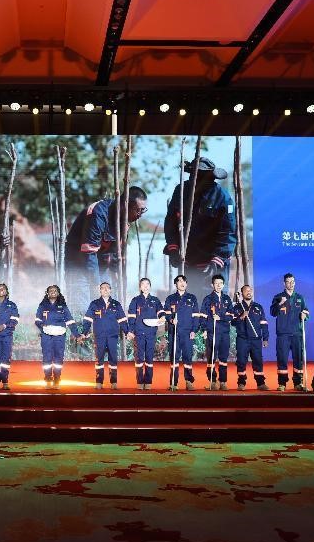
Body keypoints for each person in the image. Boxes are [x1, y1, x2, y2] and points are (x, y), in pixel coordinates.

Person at [163, 157, 236, 296]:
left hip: (213, 265)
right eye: (195, 176)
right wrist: (173, 249)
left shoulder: (223, 197)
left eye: (203, 176)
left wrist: (216, 260)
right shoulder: (181, 191)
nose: (197, 180)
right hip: (188, 263)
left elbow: (229, 233)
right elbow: (171, 223)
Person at [66, 186, 148, 308]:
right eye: (138, 210)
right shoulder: (98, 214)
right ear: (125, 205)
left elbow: (114, 253)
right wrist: (96, 284)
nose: (140, 215)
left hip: (100, 263)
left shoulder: (124, 222)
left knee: (108, 304)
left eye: (143, 210)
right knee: (82, 307)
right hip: (79, 261)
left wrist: (116, 277)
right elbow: (89, 253)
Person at [78, 282, 129, 390]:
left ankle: (113, 382)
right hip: (99, 336)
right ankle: (99, 382)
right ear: (100, 290)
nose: (105, 289)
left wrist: (127, 332)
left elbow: (123, 320)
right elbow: (88, 320)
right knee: (99, 359)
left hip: (112, 336)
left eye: (107, 288)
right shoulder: (94, 304)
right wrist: (84, 332)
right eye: (103, 288)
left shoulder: (116, 304)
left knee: (113, 359)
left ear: (110, 290)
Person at [270, 273, 310, 391]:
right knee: (282, 358)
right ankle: (282, 383)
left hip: (297, 333)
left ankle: (298, 383)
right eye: (288, 282)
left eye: (293, 281)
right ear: (284, 283)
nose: (291, 284)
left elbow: (306, 311)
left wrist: (304, 315)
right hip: (283, 334)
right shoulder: (278, 297)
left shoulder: (300, 297)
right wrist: (280, 303)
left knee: (298, 358)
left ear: (295, 283)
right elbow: (272, 312)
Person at [34, 285, 78, 389]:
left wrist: (77, 334)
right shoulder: (42, 306)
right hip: (46, 336)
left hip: (60, 336)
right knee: (47, 358)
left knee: (58, 358)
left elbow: (70, 321)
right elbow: (37, 320)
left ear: (58, 293)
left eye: (55, 290)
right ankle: (48, 379)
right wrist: (42, 327)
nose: (53, 292)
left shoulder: (63, 306)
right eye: (50, 290)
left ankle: (57, 379)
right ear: (47, 293)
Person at [163, 274, 201, 391]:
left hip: (187, 333)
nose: (182, 283)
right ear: (176, 284)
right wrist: (171, 320)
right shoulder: (170, 298)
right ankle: (173, 383)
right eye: (179, 281)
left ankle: (189, 381)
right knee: (174, 358)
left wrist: (194, 330)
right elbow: (166, 314)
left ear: (186, 284)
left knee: (188, 358)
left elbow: (196, 316)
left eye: (184, 281)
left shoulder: (192, 298)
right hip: (174, 332)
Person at [126, 278, 165, 390]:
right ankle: (139, 381)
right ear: (140, 287)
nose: (145, 286)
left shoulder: (155, 300)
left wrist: (162, 317)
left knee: (149, 358)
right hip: (139, 333)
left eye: (147, 284)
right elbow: (131, 317)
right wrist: (131, 331)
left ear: (150, 286)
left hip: (151, 333)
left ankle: (148, 381)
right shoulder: (135, 300)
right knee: (139, 358)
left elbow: (160, 311)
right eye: (143, 284)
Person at [232, 284, 270, 391]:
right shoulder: (237, 307)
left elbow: (264, 324)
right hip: (242, 339)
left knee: (258, 361)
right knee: (241, 361)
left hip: (256, 339)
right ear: (242, 293)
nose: (249, 292)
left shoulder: (258, 307)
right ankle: (241, 383)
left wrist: (265, 338)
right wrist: (241, 317)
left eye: (250, 290)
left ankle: (260, 383)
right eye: (246, 290)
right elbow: (233, 322)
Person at [200, 274, 234, 390]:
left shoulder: (227, 299)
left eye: (220, 283)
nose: (218, 285)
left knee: (223, 358)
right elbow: (203, 316)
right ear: (212, 285)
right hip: (212, 332)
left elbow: (231, 315)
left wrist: (221, 317)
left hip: (224, 332)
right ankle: (212, 381)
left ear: (223, 285)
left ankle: (223, 381)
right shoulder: (208, 299)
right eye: (216, 283)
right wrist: (204, 329)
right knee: (211, 358)